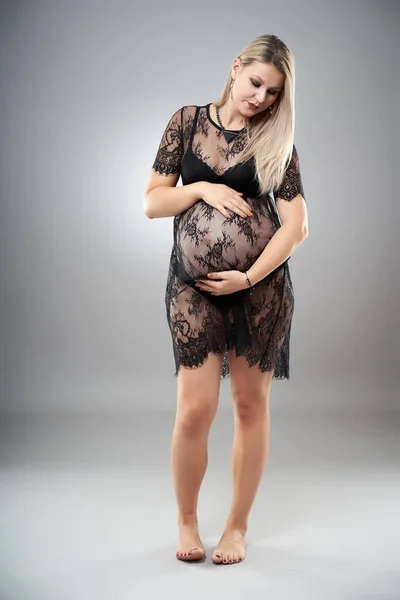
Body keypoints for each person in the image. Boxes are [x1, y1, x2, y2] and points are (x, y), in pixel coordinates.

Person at [143, 33, 308, 565]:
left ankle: (236, 527)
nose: (260, 97)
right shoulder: (187, 121)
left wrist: (251, 277)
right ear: (237, 67)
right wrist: (201, 189)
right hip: (193, 291)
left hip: (258, 291)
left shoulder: (276, 141)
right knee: (194, 410)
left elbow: (298, 227)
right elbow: (152, 202)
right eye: (256, 82)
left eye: (273, 93)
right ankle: (187, 522)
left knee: (248, 404)